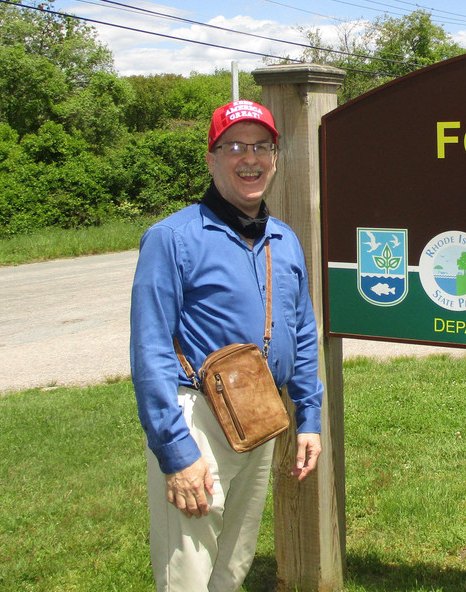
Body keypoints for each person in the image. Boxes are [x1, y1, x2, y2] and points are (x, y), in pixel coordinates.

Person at [130, 99, 324, 592]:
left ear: (275, 158)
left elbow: (301, 330)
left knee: (233, 567)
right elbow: (150, 351)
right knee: (188, 575)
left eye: (262, 147)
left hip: (260, 417)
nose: (250, 159)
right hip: (197, 421)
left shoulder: (284, 240)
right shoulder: (171, 238)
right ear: (212, 157)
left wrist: (309, 418)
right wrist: (175, 451)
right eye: (235, 146)